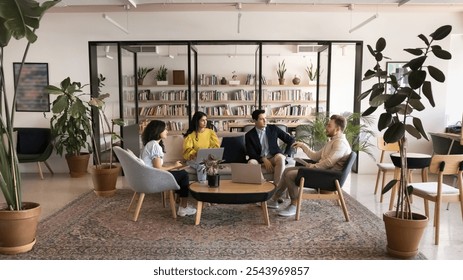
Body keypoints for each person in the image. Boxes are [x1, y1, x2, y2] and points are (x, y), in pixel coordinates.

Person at [269, 114, 352, 217]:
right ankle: (275, 199)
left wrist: (312, 167)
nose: (326, 127)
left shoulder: (340, 144)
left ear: (338, 129)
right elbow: (316, 156)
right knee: (287, 170)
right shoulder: (332, 141)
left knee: (290, 175)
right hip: (323, 172)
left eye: (329, 126)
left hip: (328, 177)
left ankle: (294, 205)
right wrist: (303, 146)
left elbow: (329, 163)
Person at [140, 120, 197, 217]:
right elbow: (158, 168)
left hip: (149, 176)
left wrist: (173, 167)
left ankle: (181, 204)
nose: (167, 131)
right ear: (158, 131)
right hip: (154, 179)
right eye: (165, 129)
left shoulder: (150, 144)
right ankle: (183, 208)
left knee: (180, 173)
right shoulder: (154, 145)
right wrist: (174, 166)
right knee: (184, 175)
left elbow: (156, 166)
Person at [245, 109, 295, 187]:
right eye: (261, 119)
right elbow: (251, 153)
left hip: (273, 157)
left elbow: (291, 140)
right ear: (254, 121)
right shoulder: (249, 135)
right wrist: (263, 159)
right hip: (259, 160)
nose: (265, 121)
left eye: (265, 118)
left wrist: (286, 154)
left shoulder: (273, 129)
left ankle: (276, 189)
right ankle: (263, 188)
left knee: (281, 158)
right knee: (251, 162)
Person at [183, 111, 220, 182]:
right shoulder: (191, 135)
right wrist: (196, 153)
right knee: (202, 165)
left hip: (208, 158)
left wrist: (209, 153)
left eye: (206, 120)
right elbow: (187, 150)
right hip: (193, 159)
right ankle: (202, 186)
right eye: (202, 120)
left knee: (213, 164)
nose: (205, 122)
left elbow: (215, 146)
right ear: (197, 121)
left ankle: (213, 184)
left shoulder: (210, 132)